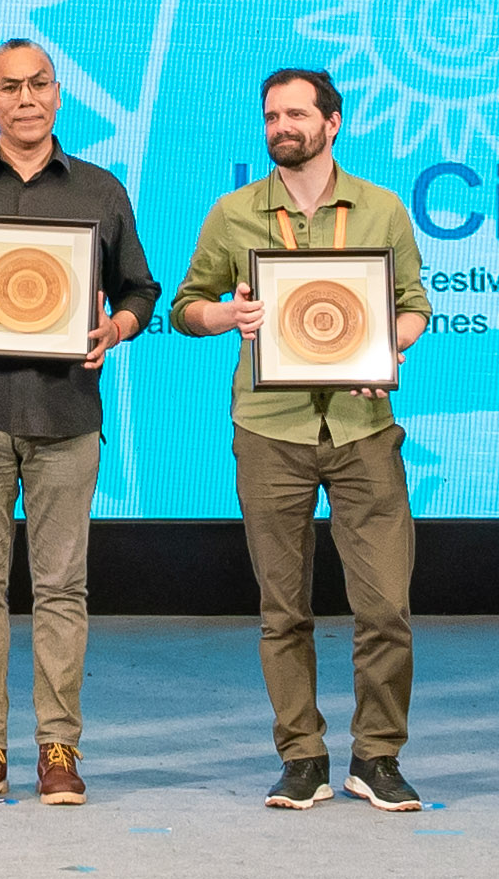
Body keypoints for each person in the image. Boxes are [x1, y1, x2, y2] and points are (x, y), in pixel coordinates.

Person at [169, 65, 434, 811]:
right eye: (271, 116)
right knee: (282, 609)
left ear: (332, 121)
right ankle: (302, 755)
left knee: (385, 607)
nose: (281, 127)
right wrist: (226, 316)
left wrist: (386, 349)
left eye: (296, 114)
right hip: (269, 428)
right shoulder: (234, 213)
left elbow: (413, 304)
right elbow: (186, 307)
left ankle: (377, 756)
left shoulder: (381, 208)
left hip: (363, 429)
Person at [0, 38, 156, 809]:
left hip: (66, 415)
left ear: (58, 94)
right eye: (8, 86)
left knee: (62, 588)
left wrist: (117, 327)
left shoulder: (100, 189)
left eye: (38, 83)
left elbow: (140, 290)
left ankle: (58, 748)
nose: (25, 98)